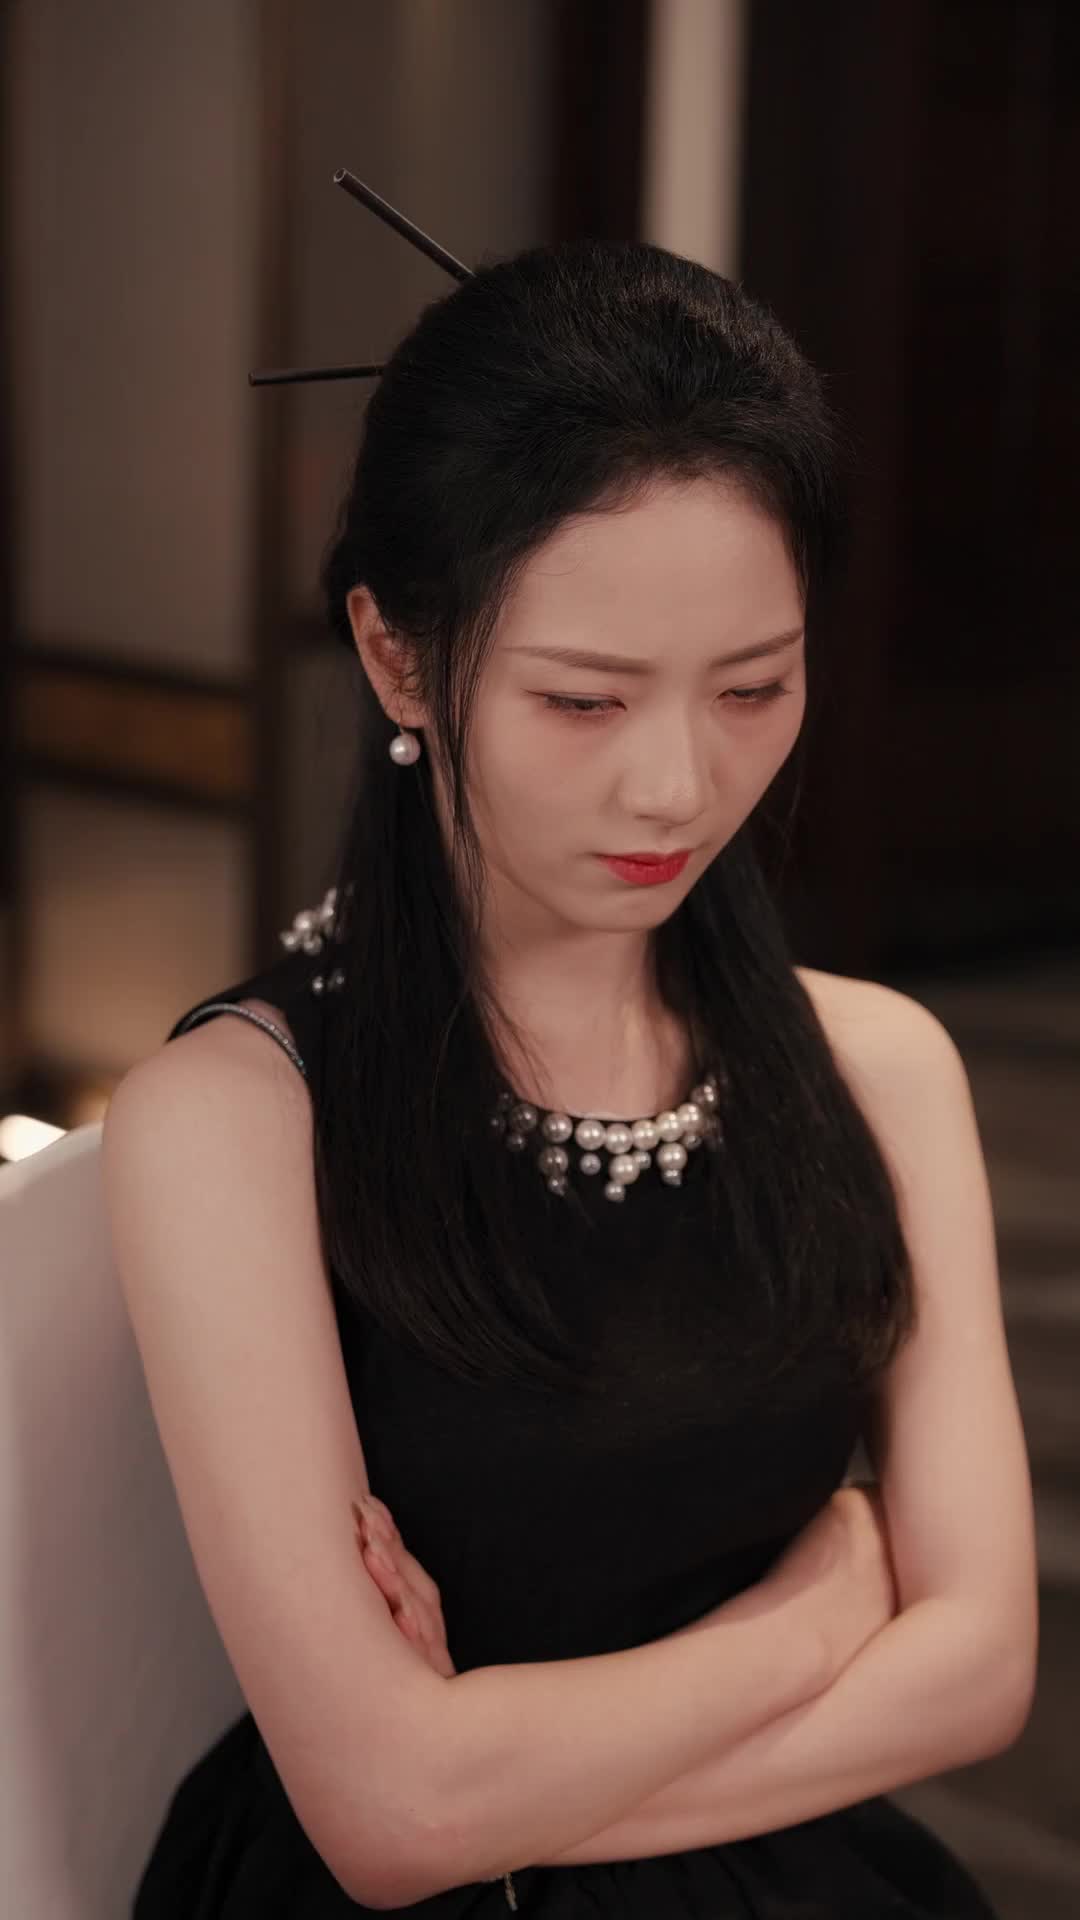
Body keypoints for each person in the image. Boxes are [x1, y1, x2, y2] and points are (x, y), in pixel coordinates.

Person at [102, 234, 1037, 1917]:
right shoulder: (236, 1121)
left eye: (754, 686)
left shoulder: (881, 1065)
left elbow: (979, 1673)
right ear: (398, 655)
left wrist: (494, 1781)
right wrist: (824, 1607)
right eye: (584, 701)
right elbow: (386, 1820)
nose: (677, 784)